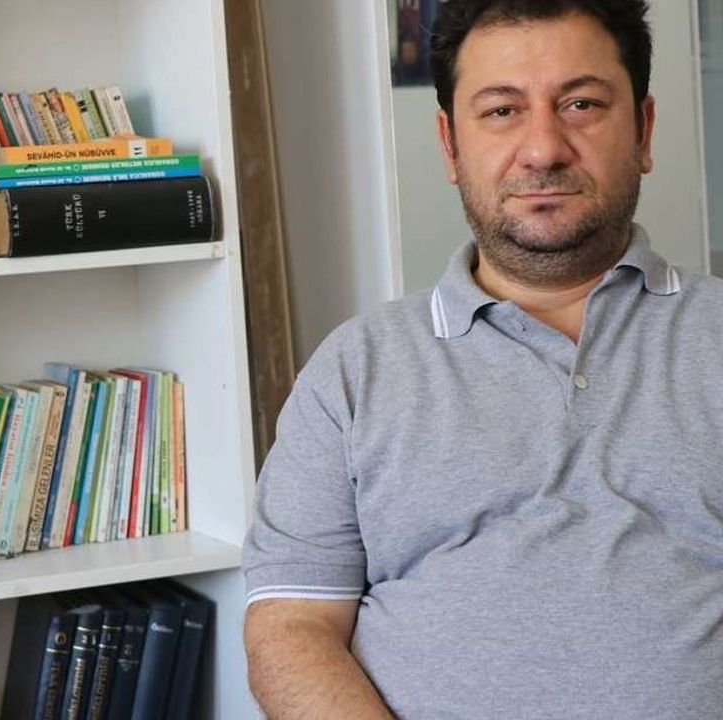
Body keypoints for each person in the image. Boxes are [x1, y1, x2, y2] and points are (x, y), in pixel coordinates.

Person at [242, 1, 723, 717]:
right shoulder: (354, 370)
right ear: (450, 145)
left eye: (582, 104)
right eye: (501, 111)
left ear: (644, 131)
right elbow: (291, 628)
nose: (543, 149)